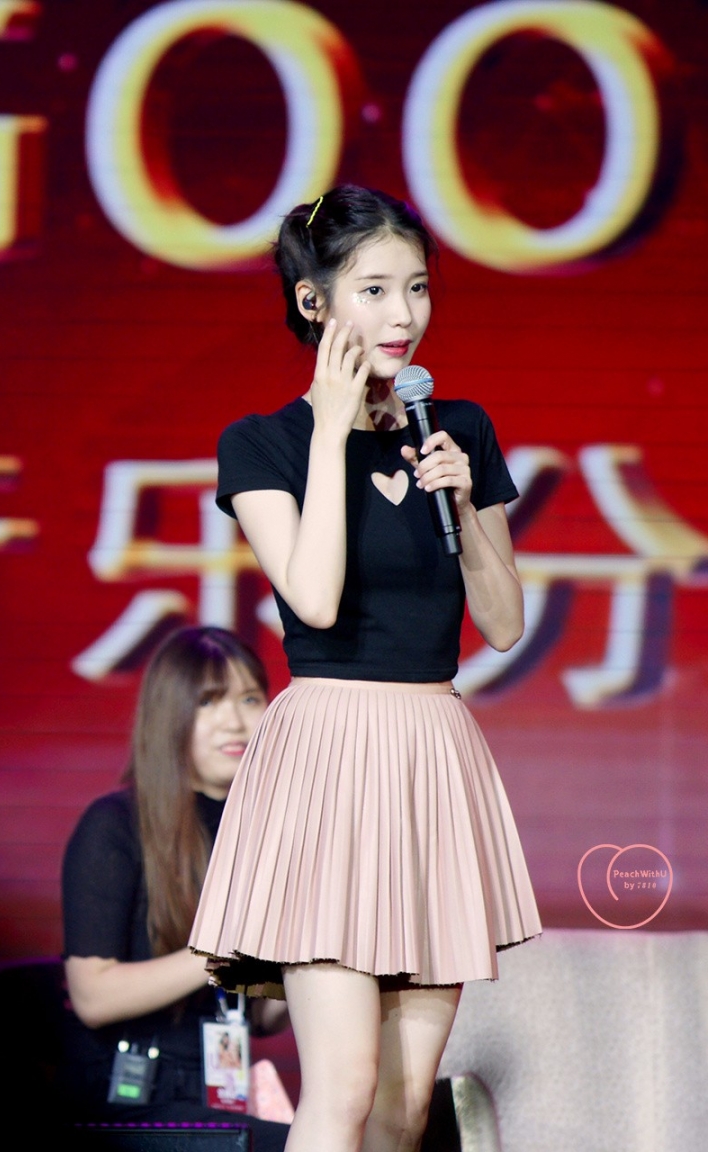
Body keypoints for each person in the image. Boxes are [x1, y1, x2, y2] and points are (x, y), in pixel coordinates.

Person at [189, 185, 542, 1152]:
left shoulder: (457, 428)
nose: (403, 314)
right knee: (342, 1086)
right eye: (375, 290)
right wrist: (333, 432)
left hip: (432, 749)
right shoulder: (260, 443)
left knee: (402, 1103)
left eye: (417, 288)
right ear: (315, 302)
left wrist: (463, 503)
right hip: (329, 755)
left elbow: (504, 624)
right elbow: (313, 598)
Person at [61, 626, 289, 1151]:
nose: (235, 721)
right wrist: (223, 951)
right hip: (128, 1095)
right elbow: (93, 995)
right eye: (209, 701)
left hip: (219, 1093)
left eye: (250, 699)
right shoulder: (115, 824)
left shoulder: (266, 831)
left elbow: (260, 1016)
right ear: (170, 715)